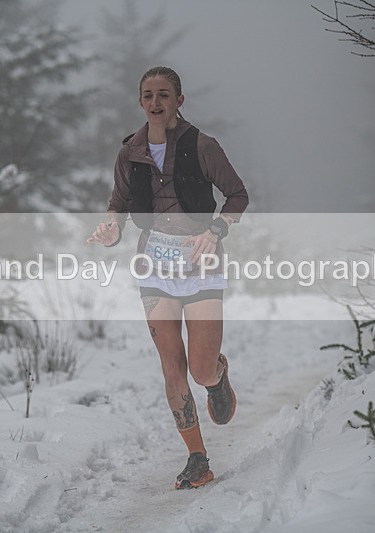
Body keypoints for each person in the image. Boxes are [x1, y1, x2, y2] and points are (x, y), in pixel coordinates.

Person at [87, 66, 249, 489]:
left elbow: (238, 195)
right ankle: (197, 458)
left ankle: (217, 376)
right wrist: (111, 229)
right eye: (147, 95)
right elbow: (119, 203)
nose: (155, 102)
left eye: (163, 94)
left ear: (179, 100)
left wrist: (216, 230)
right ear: (140, 102)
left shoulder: (203, 146)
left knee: (199, 370)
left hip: (201, 261)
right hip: (154, 266)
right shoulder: (130, 152)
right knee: (172, 368)